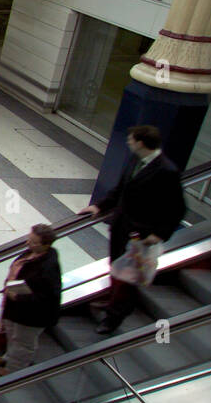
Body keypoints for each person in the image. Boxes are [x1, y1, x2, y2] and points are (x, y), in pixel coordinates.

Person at [79, 125, 185, 333]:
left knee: (128, 277)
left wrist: (159, 234)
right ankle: (112, 301)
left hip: (142, 236)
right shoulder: (136, 160)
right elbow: (121, 190)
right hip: (121, 228)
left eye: (131, 139)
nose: (128, 142)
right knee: (116, 269)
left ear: (141, 143)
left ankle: (114, 317)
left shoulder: (167, 171)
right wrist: (99, 206)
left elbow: (177, 208)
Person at [0, 224, 62, 372]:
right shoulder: (32, 253)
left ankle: (14, 369)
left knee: (23, 342)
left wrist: (17, 297)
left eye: (33, 242)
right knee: (12, 334)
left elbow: (46, 298)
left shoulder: (49, 268)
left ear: (46, 245)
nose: (27, 243)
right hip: (15, 307)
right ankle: (8, 357)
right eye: (29, 239)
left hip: (31, 315)